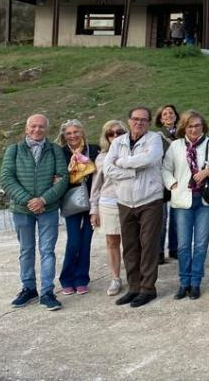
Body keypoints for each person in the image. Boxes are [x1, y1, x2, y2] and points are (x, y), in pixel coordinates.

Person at [0, 114, 68, 311]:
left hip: (48, 209)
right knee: (26, 250)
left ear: (47, 129)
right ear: (26, 128)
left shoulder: (55, 150)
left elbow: (63, 177)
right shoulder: (13, 150)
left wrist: (43, 199)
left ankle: (47, 292)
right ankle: (28, 289)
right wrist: (29, 200)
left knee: (47, 251)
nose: (37, 130)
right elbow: (6, 178)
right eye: (33, 126)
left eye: (41, 127)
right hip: (22, 210)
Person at [161, 111, 209, 300]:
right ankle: (184, 282)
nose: (193, 129)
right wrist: (172, 184)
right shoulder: (175, 146)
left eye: (197, 125)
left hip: (205, 201)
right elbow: (165, 168)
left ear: (203, 126)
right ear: (184, 127)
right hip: (182, 200)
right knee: (183, 245)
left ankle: (196, 282)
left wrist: (208, 171)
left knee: (200, 244)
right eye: (190, 126)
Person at [104, 106, 165, 308]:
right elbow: (108, 169)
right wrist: (131, 172)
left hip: (149, 199)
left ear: (149, 122)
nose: (139, 123)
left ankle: (148, 289)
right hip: (124, 201)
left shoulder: (154, 139)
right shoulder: (118, 142)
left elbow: (149, 159)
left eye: (144, 120)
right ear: (129, 120)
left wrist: (122, 162)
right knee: (130, 246)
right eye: (136, 119)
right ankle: (134, 287)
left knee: (148, 245)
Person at [57, 119, 98, 295]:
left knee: (86, 241)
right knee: (74, 241)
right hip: (70, 201)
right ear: (64, 136)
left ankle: (82, 278)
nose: (73, 136)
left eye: (76, 132)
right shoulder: (60, 153)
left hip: (92, 201)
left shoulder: (94, 150)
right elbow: (57, 175)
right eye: (69, 133)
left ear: (82, 132)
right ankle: (67, 278)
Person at [89, 120, 127, 296]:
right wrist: (94, 209)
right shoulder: (102, 158)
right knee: (112, 242)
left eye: (119, 132)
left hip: (130, 202)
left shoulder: (133, 153)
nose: (115, 136)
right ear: (106, 137)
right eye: (111, 134)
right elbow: (96, 186)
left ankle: (137, 276)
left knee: (134, 242)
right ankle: (115, 278)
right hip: (109, 203)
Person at [155, 104, 180, 264]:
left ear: (176, 116)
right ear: (160, 119)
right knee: (161, 218)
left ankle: (175, 248)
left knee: (177, 216)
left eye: (171, 113)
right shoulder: (157, 136)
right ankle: (158, 252)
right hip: (162, 179)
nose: (168, 116)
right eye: (164, 114)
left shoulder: (183, 133)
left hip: (180, 179)